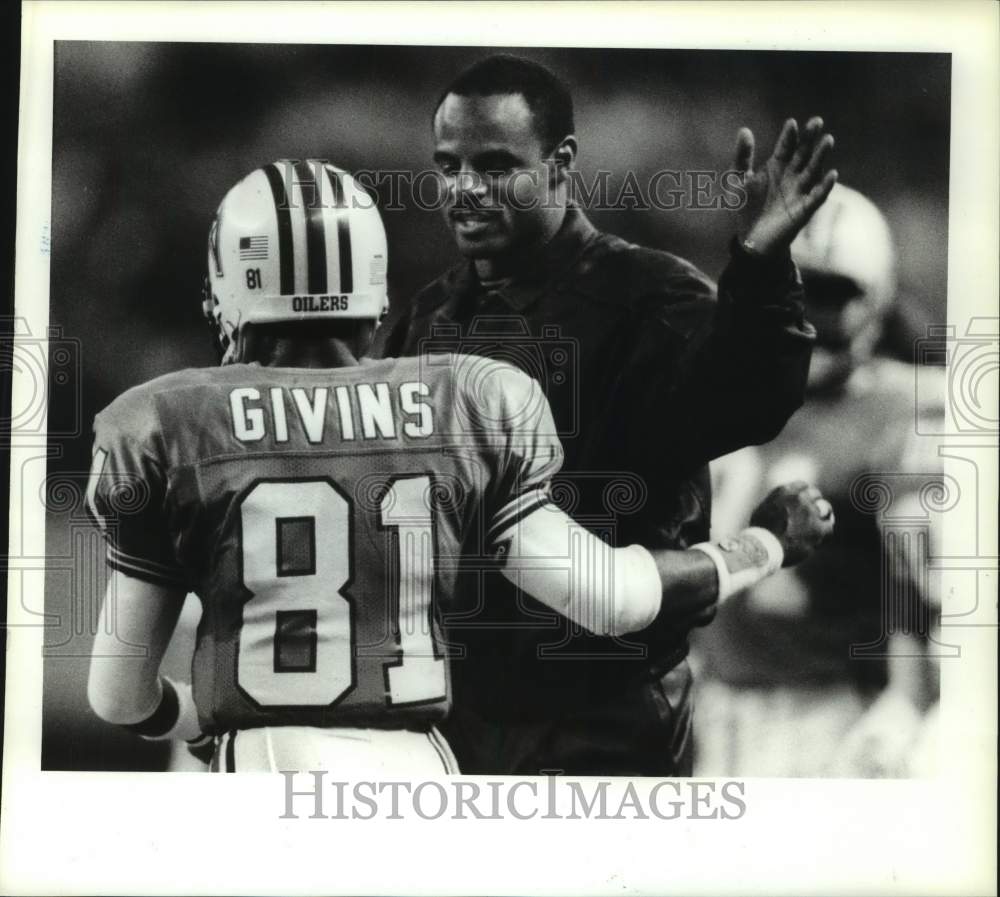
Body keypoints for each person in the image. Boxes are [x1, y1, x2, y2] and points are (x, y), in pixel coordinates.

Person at [85, 160, 835, 774]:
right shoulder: (465, 403)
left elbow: (118, 695)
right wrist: (760, 544)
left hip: (264, 770)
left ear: (232, 290)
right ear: (373, 290)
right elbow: (615, 598)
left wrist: (190, 715)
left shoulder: (169, 424)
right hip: (422, 785)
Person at [374, 54, 838, 774]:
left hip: (606, 719)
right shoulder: (431, 313)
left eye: (495, 165)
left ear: (561, 163)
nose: (464, 188)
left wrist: (760, 265)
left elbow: (754, 395)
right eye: (447, 165)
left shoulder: (647, 294)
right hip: (456, 716)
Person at [692, 183, 944, 777]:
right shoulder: (721, 396)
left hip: (830, 716)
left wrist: (908, 701)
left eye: (833, 294)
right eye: (792, 289)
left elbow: (928, 588)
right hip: (718, 710)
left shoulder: (905, 409)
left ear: (879, 300)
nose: (806, 315)